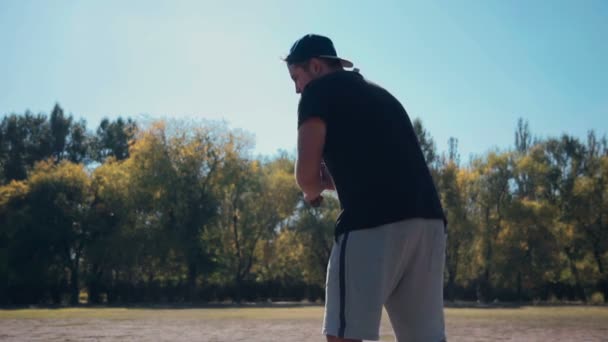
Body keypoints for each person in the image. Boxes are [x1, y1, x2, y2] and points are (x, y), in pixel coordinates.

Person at [284, 33, 448, 342]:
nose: (296, 89)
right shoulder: (382, 95)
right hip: (428, 222)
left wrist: (312, 189)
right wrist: (328, 181)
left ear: (316, 67)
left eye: (296, 77)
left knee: (344, 335)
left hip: (370, 225)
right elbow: (380, 170)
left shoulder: (318, 93)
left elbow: (306, 177)